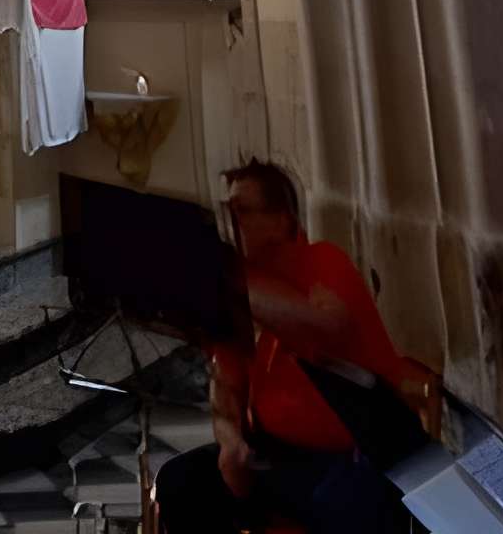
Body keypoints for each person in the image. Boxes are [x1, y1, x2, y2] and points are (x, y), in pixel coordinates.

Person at [155, 159, 412, 532]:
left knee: (340, 503)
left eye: (242, 212)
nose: (232, 225)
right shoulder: (237, 294)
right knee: (182, 481)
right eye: (228, 212)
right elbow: (224, 385)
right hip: (271, 454)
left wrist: (222, 275)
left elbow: (324, 323)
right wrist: (230, 442)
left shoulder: (323, 262)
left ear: (282, 220)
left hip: (353, 457)